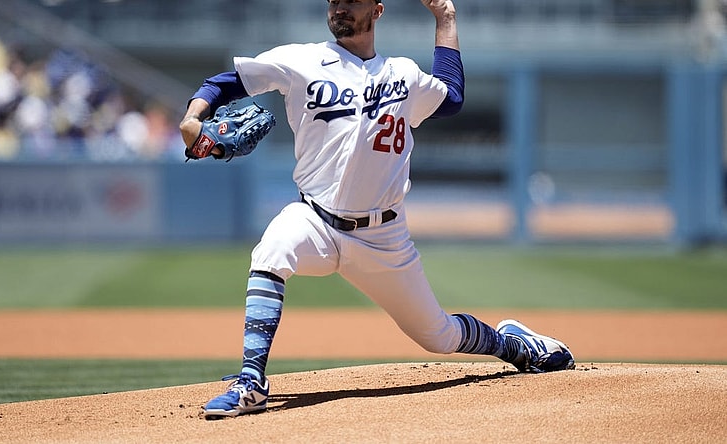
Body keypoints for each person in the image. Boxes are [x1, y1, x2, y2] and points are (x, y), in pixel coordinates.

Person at [180, 0, 575, 420]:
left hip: (383, 238)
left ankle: (517, 346)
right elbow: (227, 82)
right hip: (314, 219)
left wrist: (445, 18)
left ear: (378, 10)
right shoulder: (301, 60)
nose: (341, 8)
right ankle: (251, 382)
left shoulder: (402, 74)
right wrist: (193, 117)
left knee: (437, 335)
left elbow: (452, 96)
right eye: (335, 1)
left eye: (352, 1)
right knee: (271, 251)